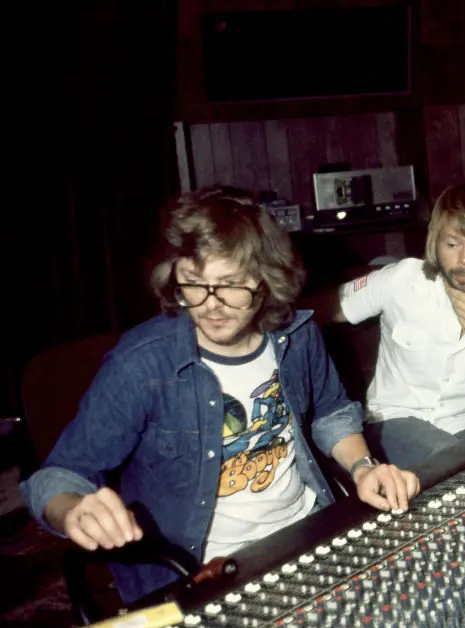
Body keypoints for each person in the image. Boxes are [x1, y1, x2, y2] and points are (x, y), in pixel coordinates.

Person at [21, 186, 420, 604]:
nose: (211, 306)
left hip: (304, 533)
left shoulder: (297, 334)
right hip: (199, 569)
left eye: (230, 286)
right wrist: (72, 509)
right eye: (193, 284)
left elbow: (331, 412)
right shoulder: (140, 365)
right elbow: (57, 476)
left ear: (266, 279)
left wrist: (362, 467)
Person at [323, 184, 465, 469]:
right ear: (435, 242)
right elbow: (318, 310)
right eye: (452, 244)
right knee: (460, 465)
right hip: (395, 421)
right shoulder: (400, 279)